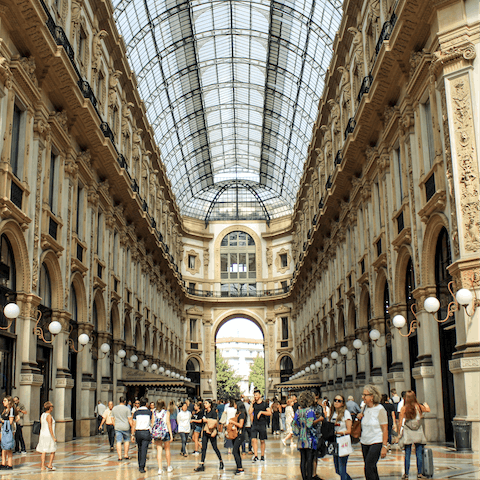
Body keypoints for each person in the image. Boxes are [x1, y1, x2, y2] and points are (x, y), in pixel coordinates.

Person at [358, 385, 388, 480]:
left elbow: (385, 428)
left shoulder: (380, 409)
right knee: (372, 468)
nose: (363, 397)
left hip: (376, 441)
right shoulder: (364, 408)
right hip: (365, 441)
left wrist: (384, 446)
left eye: (365, 395)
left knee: (369, 467)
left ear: (372, 396)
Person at [398, 391, 430, 479]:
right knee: (418, 453)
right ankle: (419, 473)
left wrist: (398, 433)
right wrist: (426, 404)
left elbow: (400, 421)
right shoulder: (419, 407)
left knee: (407, 453)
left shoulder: (404, 408)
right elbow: (428, 409)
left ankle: (406, 474)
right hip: (418, 430)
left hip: (408, 430)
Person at [194, 399, 223, 472]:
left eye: (206, 403)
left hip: (211, 431)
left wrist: (207, 420)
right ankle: (202, 464)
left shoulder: (213, 412)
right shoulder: (204, 412)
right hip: (205, 431)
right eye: (204, 403)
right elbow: (202, 421)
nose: (205, 405)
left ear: (210, 404)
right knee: (204, 448)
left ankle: (221, 461)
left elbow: (214, 422)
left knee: (215, 447)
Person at [292, 391, 317, 480]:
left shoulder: (298, 411)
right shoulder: (310, 411)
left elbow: (294, 423)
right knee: (309, 459)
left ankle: (304, 478)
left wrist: (298, 431)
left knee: (302, 459)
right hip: (309, 437)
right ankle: (309, 477)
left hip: (301, 438)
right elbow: (310, 424)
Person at [331, 394, 353, 480]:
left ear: (343, 403)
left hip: (343, 440)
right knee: (337, 470)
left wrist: (337, 432)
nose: (336, 402)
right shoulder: (333, 413)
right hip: (335, 441)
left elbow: (349, 430)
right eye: (335, 400)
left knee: (342, 468)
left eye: (339, 401)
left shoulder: (346, 413)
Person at [152, 399, 174, 474]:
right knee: (167, 450)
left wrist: (152, 436)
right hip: (165, 432)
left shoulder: (154, 412)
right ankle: (168, 466)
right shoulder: (166, 412)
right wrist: (171, 434)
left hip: (157, 433)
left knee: (159, 450)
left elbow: (152, 424)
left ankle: (160, 468)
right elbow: (168, 422)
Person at [131, 397, 152, 474]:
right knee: (144, 449)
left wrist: (132, 434)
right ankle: (142, 466)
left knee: (139, 449)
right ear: (146, 404)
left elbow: (133, 424)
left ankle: (140, 465)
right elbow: (151, 423)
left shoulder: (136, 412)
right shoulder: (149, 412)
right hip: (146, 432)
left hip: (138, 432)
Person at [249, 389, 271, 461]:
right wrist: (251, 404)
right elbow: (250, 412)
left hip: (262, 424)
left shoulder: (265, 404)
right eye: (254, 395)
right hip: (255, 424)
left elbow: (269, 413)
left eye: (256, 395)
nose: (255, 397)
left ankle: (262, 455)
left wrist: (261, 412)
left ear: (260, 395)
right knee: (253, 440)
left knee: (262, 440)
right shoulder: (254, 404)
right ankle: (255, 455)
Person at [36, 401, 56, 471]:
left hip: (43, 433)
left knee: (43, 450)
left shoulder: (43, 415)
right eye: (52, 406)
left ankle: (42, 466)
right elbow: (50, 427)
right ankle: (50, 464)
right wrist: (53, 437)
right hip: (48, 434)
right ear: (50, 408)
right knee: (52, 450)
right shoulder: (49, 416)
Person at [111, 396, 132, 461]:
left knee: (118, 441)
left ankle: (119, 456)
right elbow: (129, 419)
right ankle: (126, 454)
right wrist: (132, 427)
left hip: (118, 427)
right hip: (126, 427)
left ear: (119, 401)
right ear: (125, 401)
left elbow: (112, 418)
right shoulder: (127, 409)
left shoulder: (114, 408)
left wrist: (115, 425)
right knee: (126, 440)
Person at [229, 399, 246, 475]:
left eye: (235, 404)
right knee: (237, 451)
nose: (234, 405)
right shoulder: (238, 413)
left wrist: (232, 422)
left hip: (240, 434)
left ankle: (240, 468)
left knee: (234, 451)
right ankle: (239, 466)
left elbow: (240, 425)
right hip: (236, 434)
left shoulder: (242, 414)